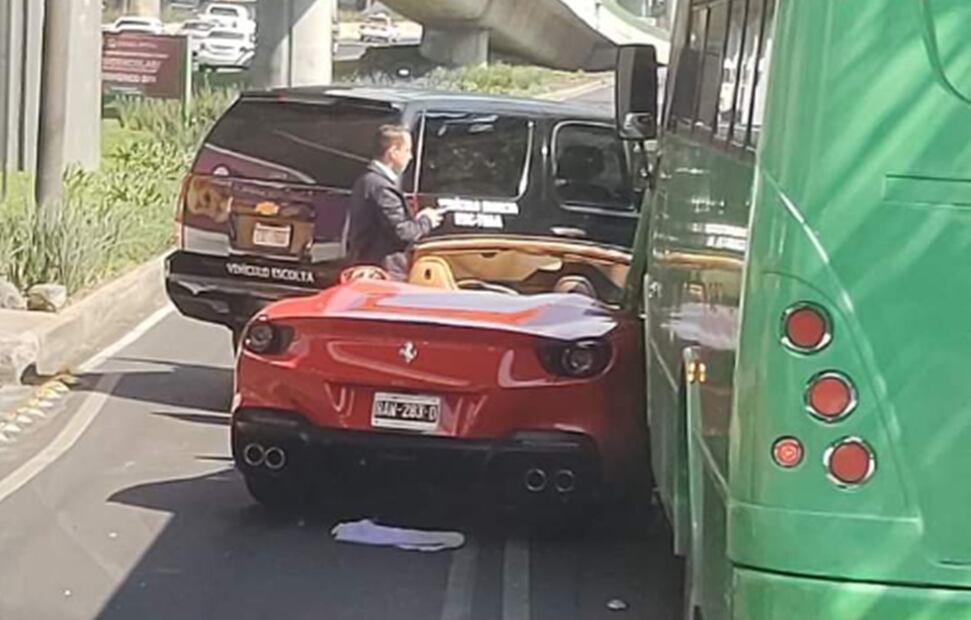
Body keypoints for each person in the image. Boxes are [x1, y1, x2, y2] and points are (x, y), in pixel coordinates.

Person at [347, 124, 443, 280]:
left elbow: (389, 225)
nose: (410, 156)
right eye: (407, 150)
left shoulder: (367, 180)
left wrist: (417, 220)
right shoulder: (382, 187)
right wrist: (427, 221)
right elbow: (402, 233)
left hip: (368, 267)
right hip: (384, 272)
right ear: (393, 152)